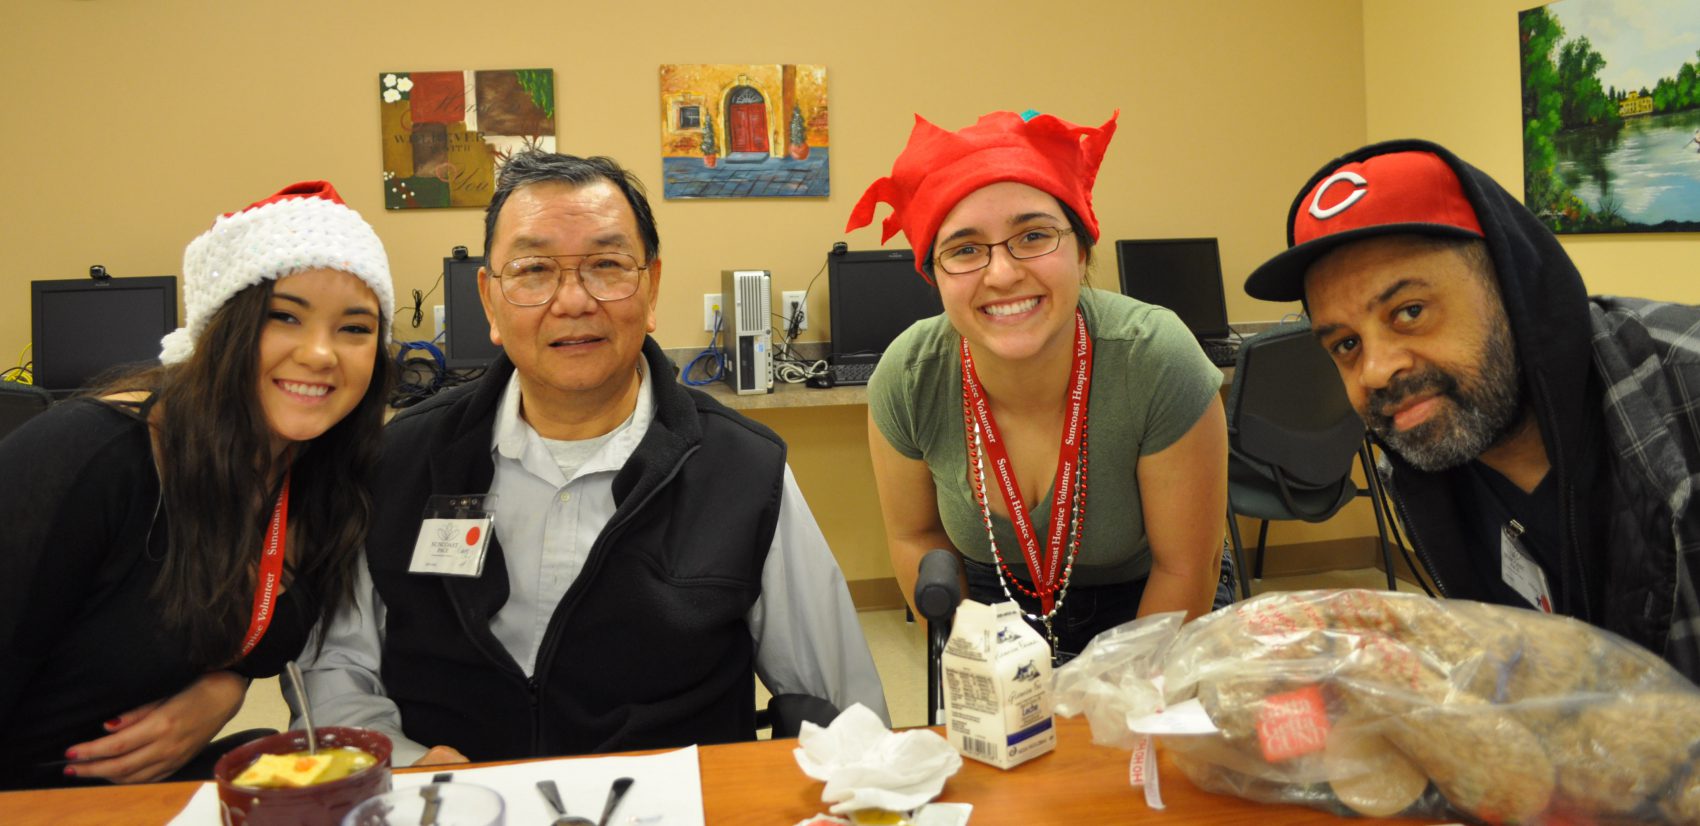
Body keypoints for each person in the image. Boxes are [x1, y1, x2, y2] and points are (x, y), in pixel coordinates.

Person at [294, 151, 887, 766]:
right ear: (490, 301)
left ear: (651, 289)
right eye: (533, 270)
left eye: (606, 265)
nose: (573, 301)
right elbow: (336, 667)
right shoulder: (398, 460)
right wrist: (403, 764)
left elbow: (842, 710)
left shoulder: (743, 470)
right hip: (455, 803)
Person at [1244, 139, 1700, 682]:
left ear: (1512, 287)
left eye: (1410, 311)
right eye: (1346, 344)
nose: (1375, 371)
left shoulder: (1686, 392)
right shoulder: (1423, 468)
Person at [0, 182, 397, 789]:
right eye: (284, 316)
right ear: (222, 329)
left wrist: (225, 686)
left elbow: (261, 635)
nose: (321, 354)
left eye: (355, 328)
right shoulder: (92, 456)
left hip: (150, 797)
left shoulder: (328, 480)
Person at [847, 110, 1231, 664]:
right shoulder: (909, 378)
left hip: (1149, 598)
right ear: (934, 274)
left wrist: (1112, 700)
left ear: (1081, 250)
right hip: (990, 600)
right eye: (964, 249)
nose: (1002, 274)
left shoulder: (1155, 359)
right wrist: (982, 671)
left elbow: (1185, 568)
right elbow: (916, 537)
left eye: (1033, 236)